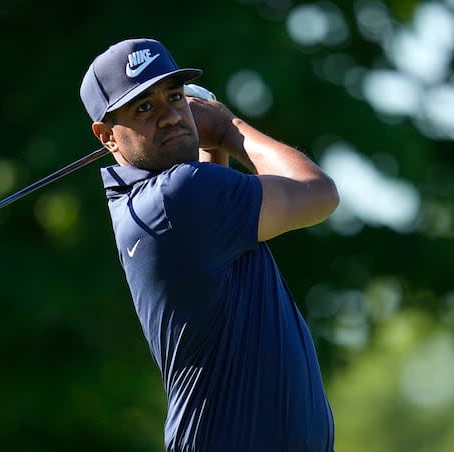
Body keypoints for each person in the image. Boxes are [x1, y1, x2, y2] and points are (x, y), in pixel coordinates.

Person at [80, 37, 339, 452]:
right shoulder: (179, 196)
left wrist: (210, 145)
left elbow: (210, 203)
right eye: (144, 107)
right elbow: (320, 193)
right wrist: (228, 128)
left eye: (174, 96)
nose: (169, 116)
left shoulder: (156, 202)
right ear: (107, 136)